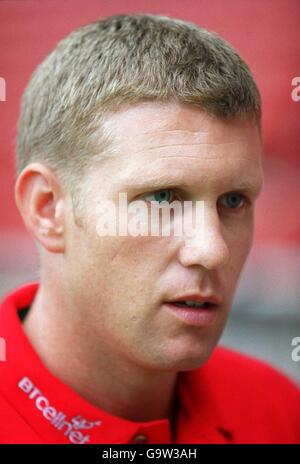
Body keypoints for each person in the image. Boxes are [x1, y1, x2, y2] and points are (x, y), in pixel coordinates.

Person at [0, 13, 299, 444]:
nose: (212, 249)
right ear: (47, 209)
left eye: (233, 201)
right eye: (162, 198)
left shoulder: (276, 409)